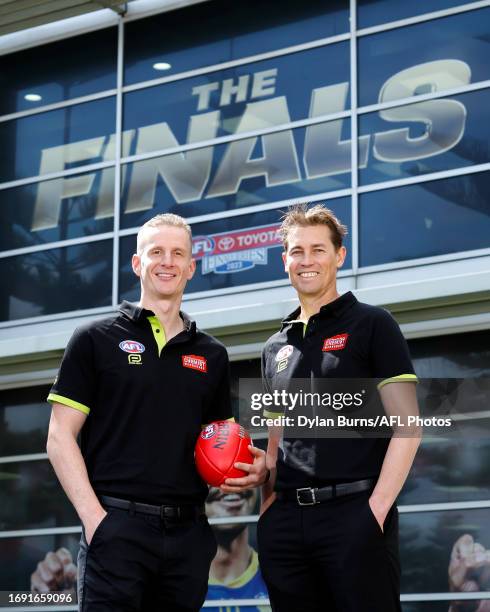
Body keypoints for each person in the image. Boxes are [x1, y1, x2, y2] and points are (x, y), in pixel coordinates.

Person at [221, 203, 422, 612]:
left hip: (355, 514)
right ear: (285, 261)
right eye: (297, 251)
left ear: (339, 256)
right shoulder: (274, 347)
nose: (306, 260)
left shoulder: (373, 325)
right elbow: (276, 435)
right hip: (287, 524)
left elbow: (409, 426)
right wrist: (268, 511)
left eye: (318, 249)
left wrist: (375, 512)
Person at [46, 213, 233, 611]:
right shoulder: (94, 338)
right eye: (157, 252)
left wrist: (249, 468)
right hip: (117, 528)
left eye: (177, 253)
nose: (167, 262)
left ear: (190, 268)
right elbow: (59, 437)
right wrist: (96, 521)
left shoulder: (212, 355)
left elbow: (221, 444)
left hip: (188, 536)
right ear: (137, 263)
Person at [205, 487, 269, 612]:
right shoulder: (173, 585)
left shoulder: (283, 577)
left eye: (245, 468)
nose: (231, 479)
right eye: (212, 467)